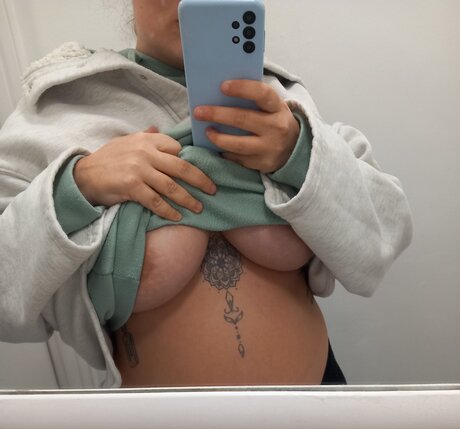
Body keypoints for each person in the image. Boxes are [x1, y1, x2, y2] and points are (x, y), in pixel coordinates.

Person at [0, 0, 413, 388]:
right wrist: (79, 183)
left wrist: (299, 153)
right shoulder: (60, 109)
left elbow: (382, 239)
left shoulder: (283, 105)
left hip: (321, 413)